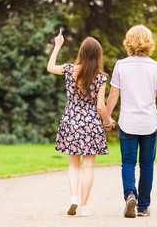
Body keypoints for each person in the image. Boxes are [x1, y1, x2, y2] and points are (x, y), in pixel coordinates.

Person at [47, 29, 115, 216]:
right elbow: (101, 106)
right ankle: (83, 207)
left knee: (73, 166)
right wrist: (108, 121)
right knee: (89, 167)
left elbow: (50, 67)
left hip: (70, 120)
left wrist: (57, 46)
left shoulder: (69, 69)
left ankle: (73, 199)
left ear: (81, 53)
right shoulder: (101, 77)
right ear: (98, 56)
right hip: (91, 123)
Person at [105, 25, 157, 218]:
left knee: (128, 162)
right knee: (147, 164)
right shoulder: (156, 66)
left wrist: (107, 118)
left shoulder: (121, 65)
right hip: (149, 122)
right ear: (149, 42)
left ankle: (130, 194)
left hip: (128, 122)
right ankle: (143, 207)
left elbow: (114, 94)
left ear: (128, 41)